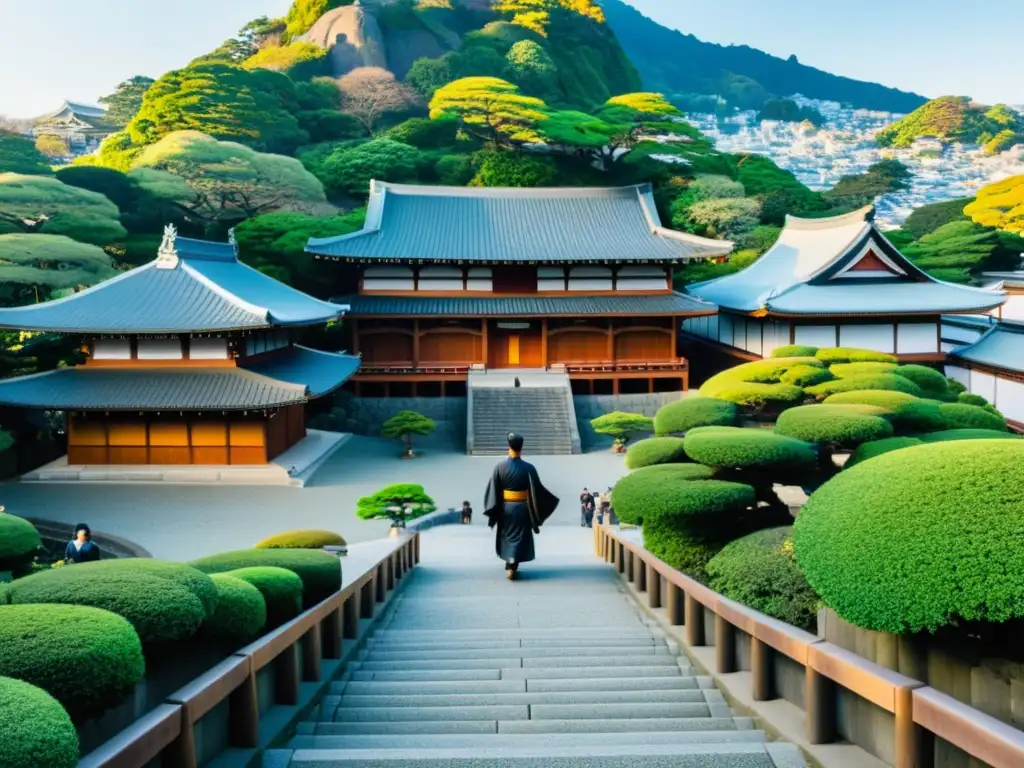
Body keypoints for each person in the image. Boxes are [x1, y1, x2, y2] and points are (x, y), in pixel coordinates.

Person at [483, 432, 559, 581]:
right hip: (523, 508)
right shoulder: (529, 468)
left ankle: (509, 562)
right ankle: (514, 564)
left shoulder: (500, 467)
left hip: (506, 507)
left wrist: (494, 511)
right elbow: (538, 490)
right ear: (522, 448)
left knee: (507, 536)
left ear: (508, 446)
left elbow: (494, 489)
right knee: (520, 536)